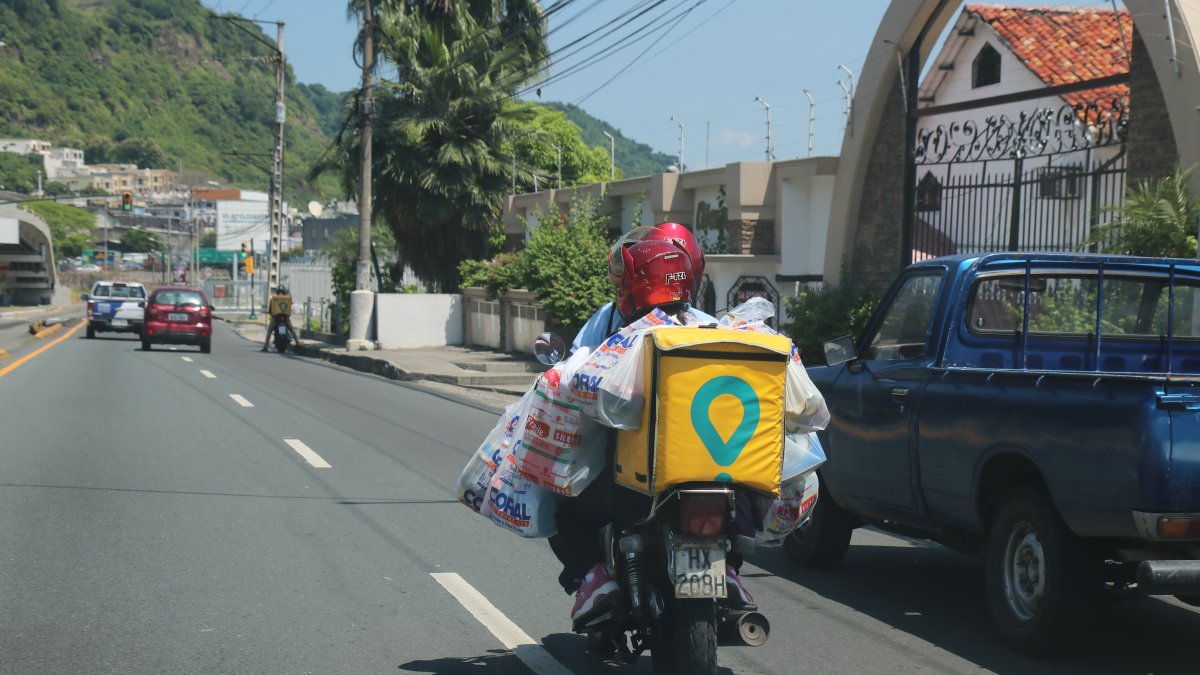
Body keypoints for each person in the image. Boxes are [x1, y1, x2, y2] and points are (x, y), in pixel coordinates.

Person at [550, 227, 757, 624]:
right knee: (741, 496)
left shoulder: (615, 330)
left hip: (632, 483)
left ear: (630, 283)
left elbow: (574, 376)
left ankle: (592, 580)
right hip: (710, 473)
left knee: (563, 503)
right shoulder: (709, 328)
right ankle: (728, 569)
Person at [261, 286, 298, 351]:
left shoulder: (274, 299)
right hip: (286, 318)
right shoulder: (287, 298)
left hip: (275, 318)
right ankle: (298, 342)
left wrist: (269, 312)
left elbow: (270, 309)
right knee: (292, 330)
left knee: (269, 331)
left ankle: (265, 346)